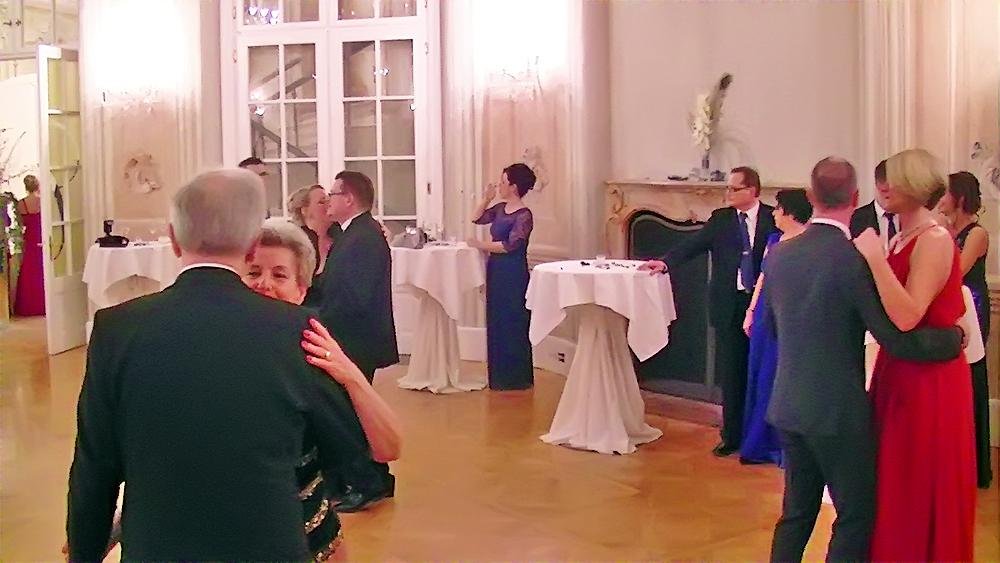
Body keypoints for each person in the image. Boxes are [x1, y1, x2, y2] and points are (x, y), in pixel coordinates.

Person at [66, 169, 369, 560]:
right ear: (252, 247)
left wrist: (85, 554)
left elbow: (95, 468)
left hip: (159, 548)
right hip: (268, 549)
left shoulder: (117, 328)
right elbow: (346, 449)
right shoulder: (295, 329)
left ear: (174, 239)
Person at [763, 157, 964, 562]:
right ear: (855, 198)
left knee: (796, 514)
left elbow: (774, 327)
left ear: (810, 196)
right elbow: (896, 337)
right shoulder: (854, 259)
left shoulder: (780, 254)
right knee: (855, 516)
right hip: (838, 412)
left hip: (787, 403)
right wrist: (951, 340)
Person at [245, 218, 402, 560]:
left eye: (279, 275)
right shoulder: (216, 350)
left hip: (308, 534)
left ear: (301, 290)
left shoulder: (314, 353)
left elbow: (389, 447)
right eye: (253, 272)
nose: (264, 284)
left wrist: (349, 373)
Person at [854, 149, 977, 561]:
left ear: (916, 185)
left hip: (929, 380)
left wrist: (874, 259)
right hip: (900, 369)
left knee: (918, 474)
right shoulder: (903, 236)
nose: (884, 187)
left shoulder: (934, 239)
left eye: (894, 180)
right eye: (882, 180)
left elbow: (908, 316)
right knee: (895, 474)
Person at [641, 166, 777, 457]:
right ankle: (732, 436)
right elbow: (693, 245)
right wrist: (665, 262)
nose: (728, 194)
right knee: (732, 372)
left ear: (752, 190)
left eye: (735, 188)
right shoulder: (721, 220)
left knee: (762, 370)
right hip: (729, 304)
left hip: (763, 306)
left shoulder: (772, 218)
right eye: (728, 188)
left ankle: (762, 436)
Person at [318, 170, 399, 512]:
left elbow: (355, 297)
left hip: (354, 339)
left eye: (333, 194)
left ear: (348, 199)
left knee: (350, 413)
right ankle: (373, 478)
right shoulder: (355, 233)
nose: (328, 201)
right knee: (351, 410)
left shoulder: (363, 237)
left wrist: (317, 318)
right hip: (351, 336)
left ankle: (366, 483)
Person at [738, 189, 812, 466]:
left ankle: (782, 444)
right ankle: (757, 442)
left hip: (789, 316)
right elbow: (763, 277)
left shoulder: (809, 241)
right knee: (760, 375)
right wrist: (751, 311)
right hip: (764, 313)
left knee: (779, 375)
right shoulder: (773, 240)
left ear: (791, 213)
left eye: (779, 208)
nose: (774, 213)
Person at [938, 170, 992, 489]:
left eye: (944, 194)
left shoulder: (977, 233)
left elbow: (956, 271)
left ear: (958, 197)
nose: (939, 200)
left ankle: (973, 464)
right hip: (952, 309)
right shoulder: (945, 231)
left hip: (972, 308)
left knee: (971, 378)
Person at [468, 163, 536, 391]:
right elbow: (476, 218)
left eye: (503, 182)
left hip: (513, 272)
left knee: (513, 320)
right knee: (496, 318)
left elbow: (511, 245)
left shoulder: (524, 215)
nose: (499, 185)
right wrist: (486, 199)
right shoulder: (499, 208)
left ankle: (516, 378)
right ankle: (498, 376)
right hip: (496, 269)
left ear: (513, 186)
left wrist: (481, 245)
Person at [288, 185, 334, 308]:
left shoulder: (340, 236)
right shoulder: (297, 240)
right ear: (305, 210)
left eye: (329, 199)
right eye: (321, 202)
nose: (329, 204)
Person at [849, 159, 900, 248]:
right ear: (876, 185)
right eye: (884, 191)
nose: (889, 196)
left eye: (895, 191)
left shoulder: (911, 216)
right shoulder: (855, 219)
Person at [13, 175, 44, 316]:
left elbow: (20, 225)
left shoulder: (21, 204)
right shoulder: (42, 202)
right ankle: (42, 304)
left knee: (28, 272)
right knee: (40, 271)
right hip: (40, 238)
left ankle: (28, 306)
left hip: (29, 240)